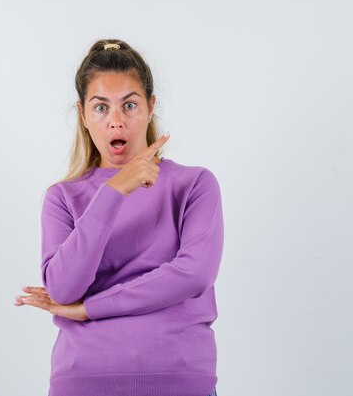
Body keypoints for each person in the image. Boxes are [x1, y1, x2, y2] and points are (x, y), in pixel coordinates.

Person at [14, 39, 223, 396]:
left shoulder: (194, 184)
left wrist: (90, 309)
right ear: (83, 114)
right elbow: (64, 289)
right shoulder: (63, 198)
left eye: (129, 105)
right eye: (100, 108)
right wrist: (112, 192)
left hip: (178, 381)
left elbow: (192, 275)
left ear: (150, 107)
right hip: (83, 384)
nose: (116, 121)